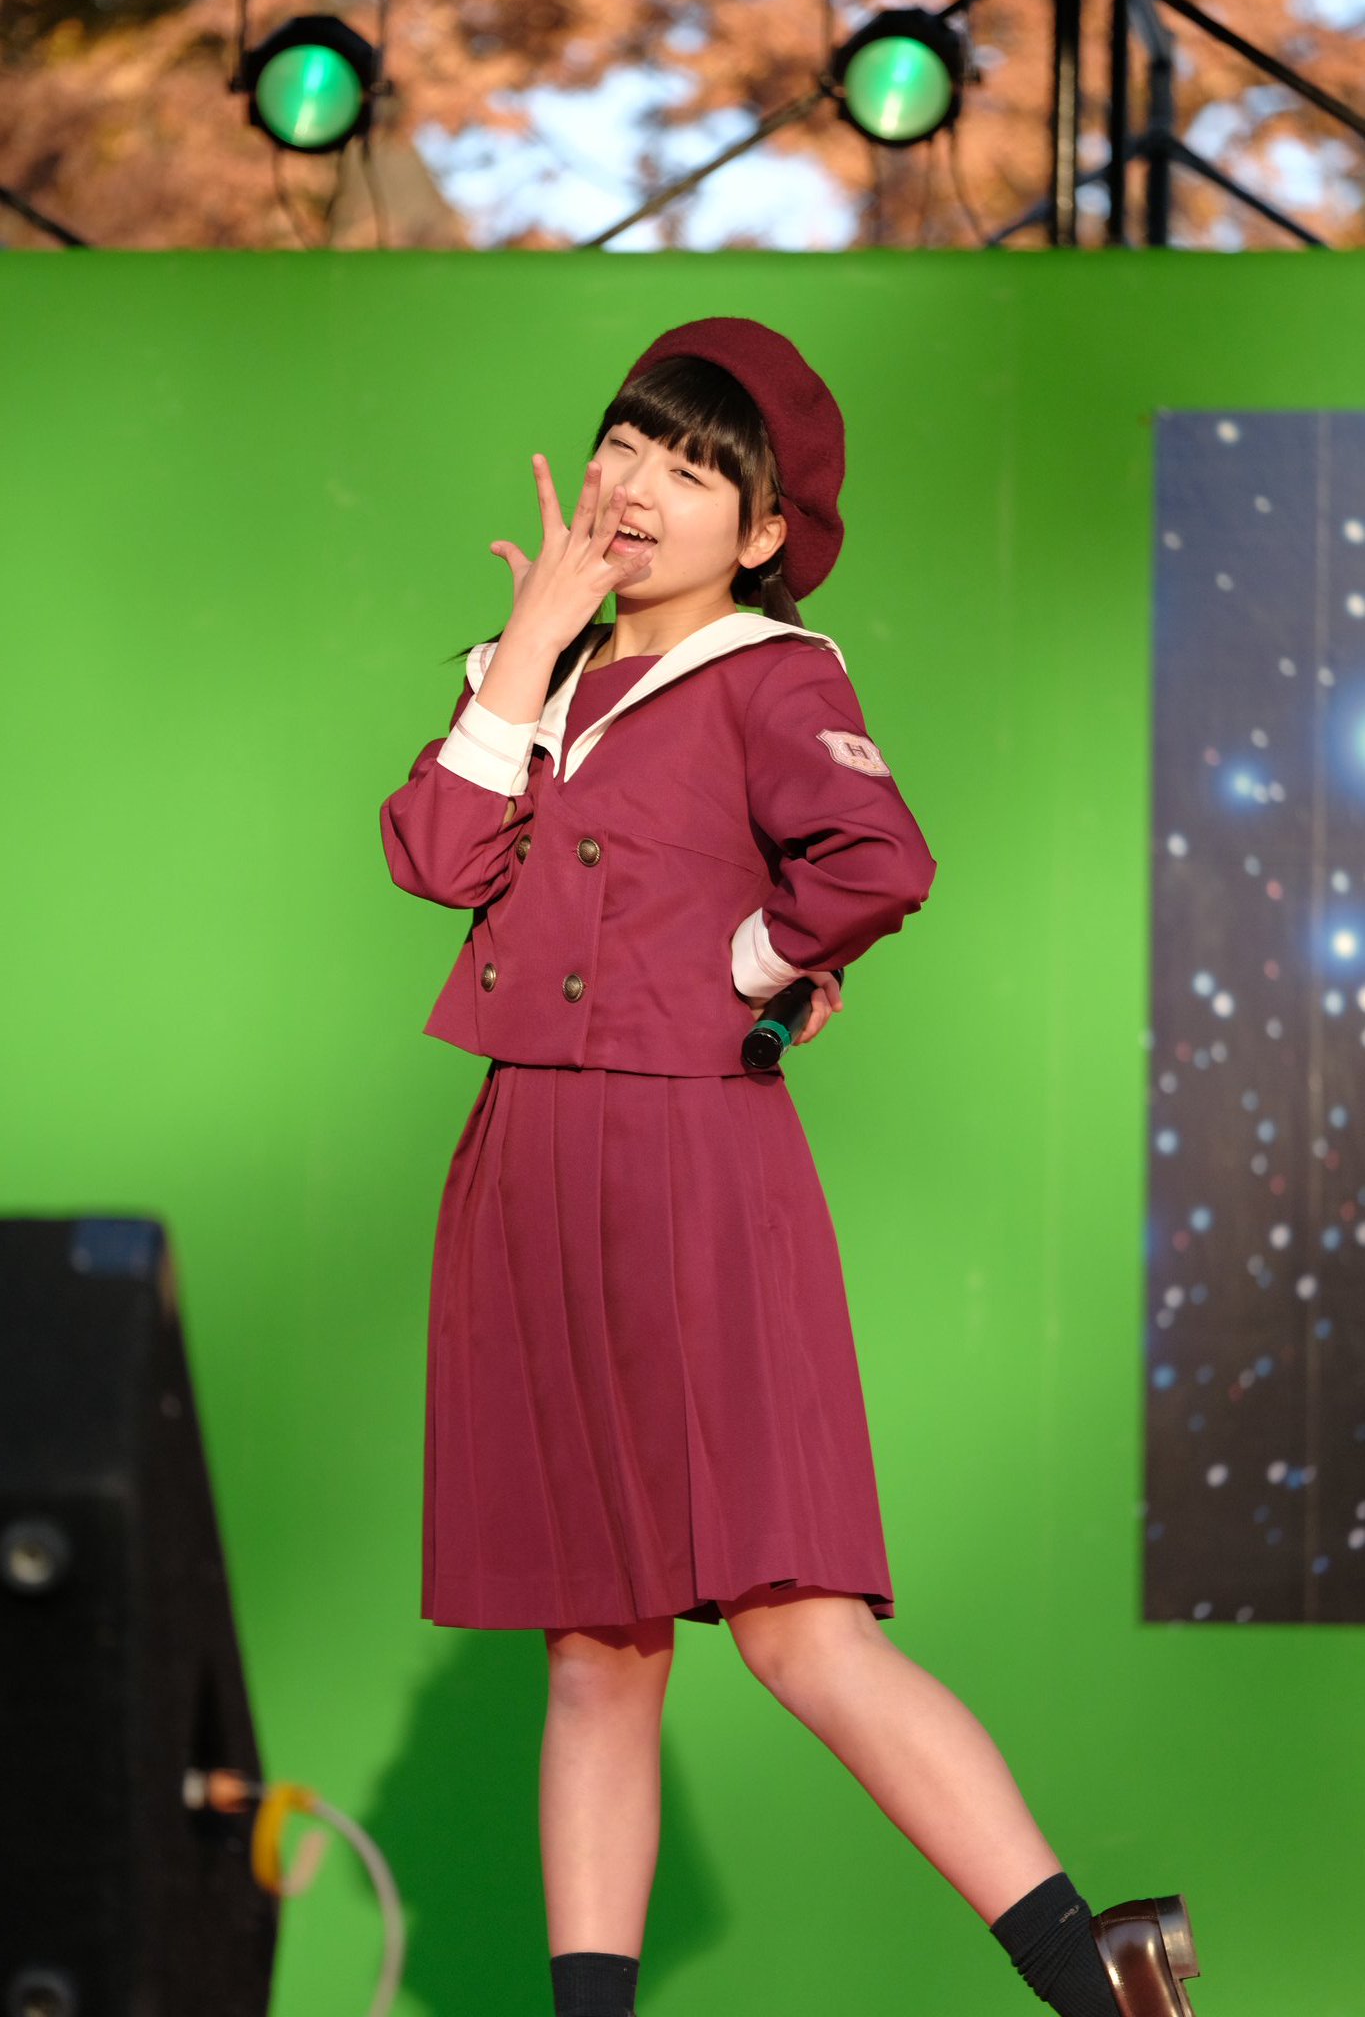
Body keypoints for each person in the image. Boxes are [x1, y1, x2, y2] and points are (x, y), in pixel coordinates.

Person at [379, 318, 1201, 2017]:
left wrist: (751, 970)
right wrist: (523, 650)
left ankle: (1088, 1969)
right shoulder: (526, 672)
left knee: (798, 1628)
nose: (638, 485)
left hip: (691, 1163)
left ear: (760, 532)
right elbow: (436, 860)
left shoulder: (772, 675)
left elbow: (875, 859)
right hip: (526, 1168)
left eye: (694, 471)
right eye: (627, 443)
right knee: (594, 1650)